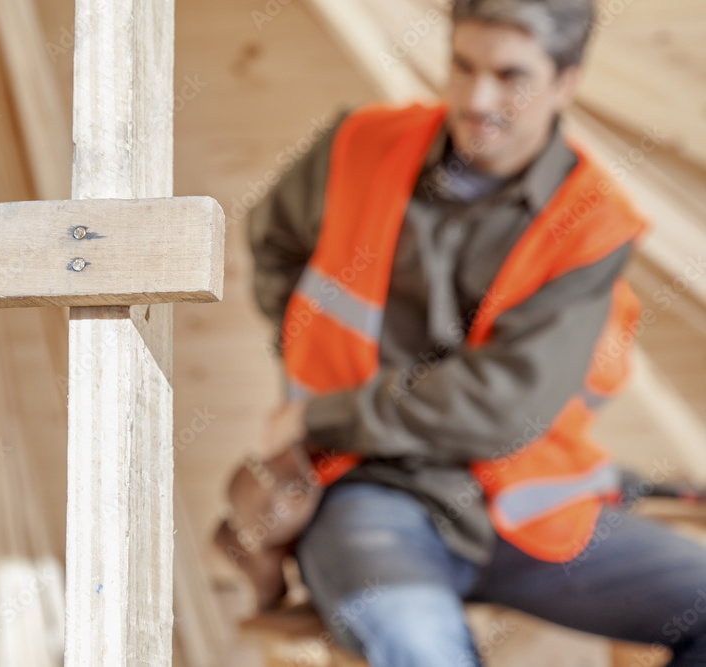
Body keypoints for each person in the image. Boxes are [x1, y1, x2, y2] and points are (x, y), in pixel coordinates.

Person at [246, 0, 706, 664]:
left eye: (509, 75)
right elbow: (275, 245)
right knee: (423, 648)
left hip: (523, 506)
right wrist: (306, 355)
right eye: (462, 66)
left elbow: (501, 407)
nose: (476, 97)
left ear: (566, 81)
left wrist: (321, 413)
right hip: (369, 488)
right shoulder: (360, 144)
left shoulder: (594, 223)